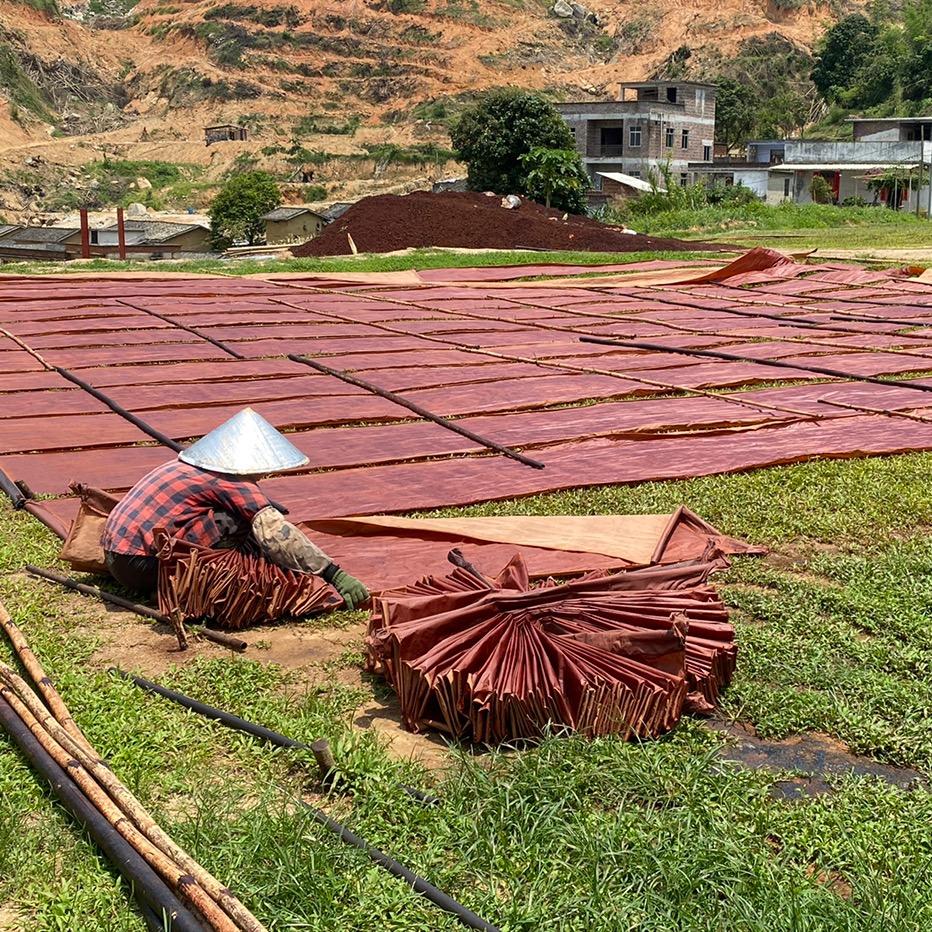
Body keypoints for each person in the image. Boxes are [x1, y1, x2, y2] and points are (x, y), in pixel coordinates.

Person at [101, 408, 369, 609]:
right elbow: (276, 533)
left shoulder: (181, 466)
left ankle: (168, 579)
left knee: (242, 516)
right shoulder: (231, 481)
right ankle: (179, 586)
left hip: (114, 557)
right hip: (143, 566)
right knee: (241, 521)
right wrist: (334, 574)